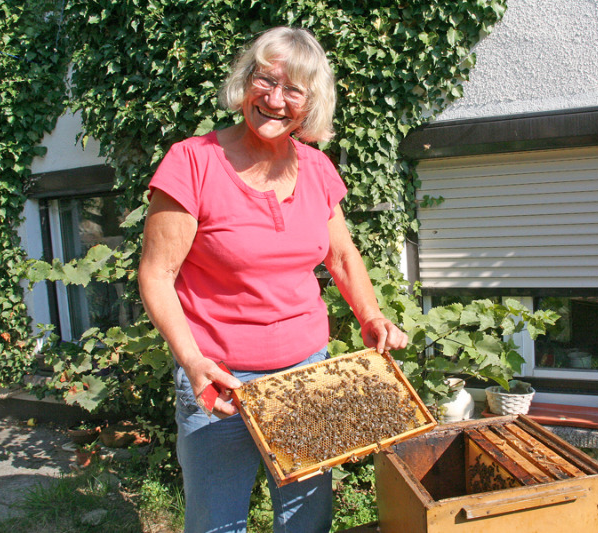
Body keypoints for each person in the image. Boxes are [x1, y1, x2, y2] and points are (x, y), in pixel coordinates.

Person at [138, 26, 408, 533]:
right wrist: (193, 361)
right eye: (265, 80)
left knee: (307, 518)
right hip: (219, 383)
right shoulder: (192, 163)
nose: (275, 99)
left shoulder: (318, 168)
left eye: (293, 90)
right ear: (245, 82)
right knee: (216, 523)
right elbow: (156, 274)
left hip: (306, 373)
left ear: (311, 104)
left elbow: (343, 256)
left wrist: (370, 314)